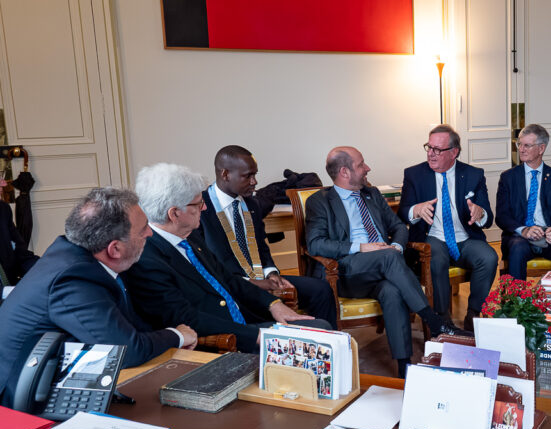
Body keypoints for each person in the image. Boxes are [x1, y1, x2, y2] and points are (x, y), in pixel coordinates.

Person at [0, 187, 196, 407]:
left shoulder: (69, 253)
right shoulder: (74, 279)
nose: (150, 233)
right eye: (142, 230)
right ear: (115, 250)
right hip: (20, 403)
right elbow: (124, 350)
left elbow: (125, 326)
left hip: (53, 382)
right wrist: (176, 335)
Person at [306, 146, 470, 377]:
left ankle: (405, 367)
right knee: (389, 258)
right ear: (344, 172)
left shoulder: (371, 195)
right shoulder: (319, 201)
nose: (368, 168)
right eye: (361, 164)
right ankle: (435, 323)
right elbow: (315, 244)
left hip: (384, 266)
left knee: (392, 291)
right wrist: (362, 247)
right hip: (345, 271)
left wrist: (396, 246)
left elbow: (397, 227)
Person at [125, 163, 324, 353]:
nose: (204, 208)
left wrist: (272, 304)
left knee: (319, 328)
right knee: (320, 337)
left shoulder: (190, 236)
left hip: (245, 322)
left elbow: (227, 279)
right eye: (198, 203)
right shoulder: (146, 259)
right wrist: (256, 335)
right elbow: (187, 319)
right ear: (175, 214)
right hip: (223, 343)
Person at [198, 145, 337, 327]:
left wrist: (271, 274)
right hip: (229, 287)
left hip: (261, 278)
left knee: (321, 289)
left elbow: (261, 247)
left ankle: (328, 346)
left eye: (255, 174)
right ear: (225, 174)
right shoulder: (200, 208)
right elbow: (204, 264)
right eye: (248, 176)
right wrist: (252, 283)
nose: (255, 181)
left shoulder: (252, 204)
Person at [398, 125, 499, 328]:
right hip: (432, 236)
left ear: (454, 152)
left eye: (437, 149)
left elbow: (488, 218)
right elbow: (403, 212)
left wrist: (480, 213)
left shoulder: (473, 174)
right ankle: (442, 318)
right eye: (429, 147)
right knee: (436, 258)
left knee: (489, 257)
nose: (431, 153)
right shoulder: (414, 174)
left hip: (466, 238)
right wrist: (416, 210)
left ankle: (473, 314)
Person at [495, 124, 551, 280]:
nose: (521, 149)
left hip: (549, 237)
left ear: (541, 148)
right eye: (519, 144)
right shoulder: (508, 178)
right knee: (517, 248)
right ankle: (517, 302)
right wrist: (524, 230)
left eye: (527, 145)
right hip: (520, 237)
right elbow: (502, 216)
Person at [0, 199, 38, 303]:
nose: (4, 184)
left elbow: (22, 255)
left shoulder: (3, 209)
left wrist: (48, 269)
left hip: (12, 297)